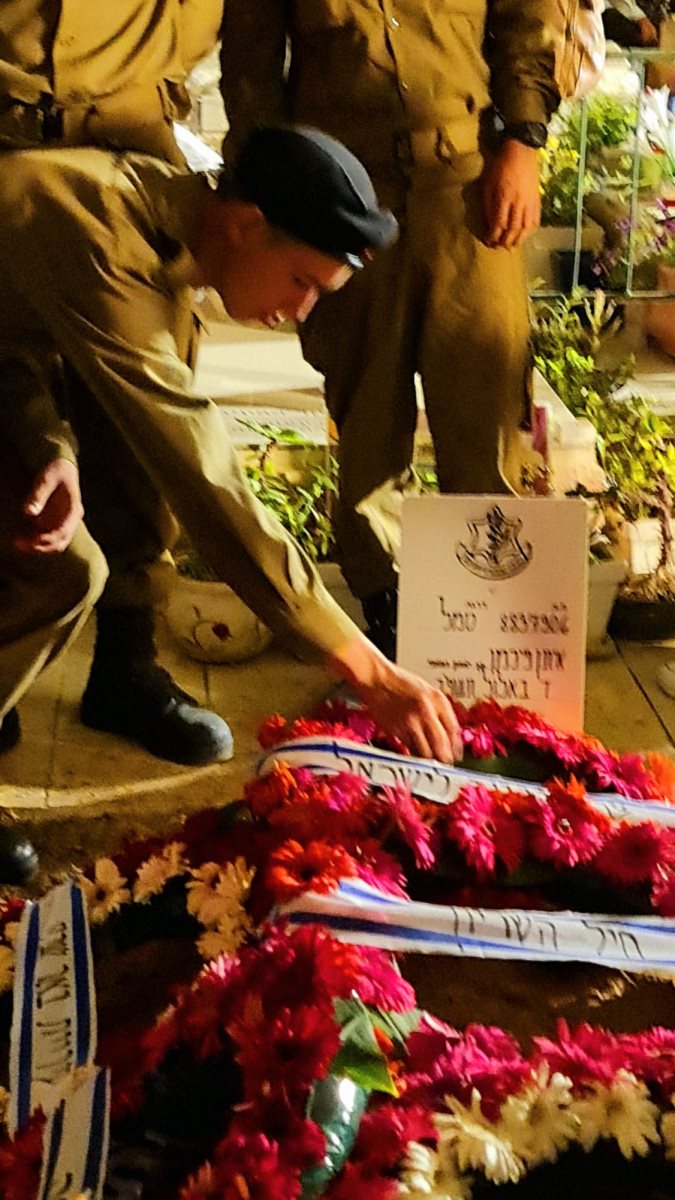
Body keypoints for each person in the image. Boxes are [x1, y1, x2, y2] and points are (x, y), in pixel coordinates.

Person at [0, 127, 463, 789]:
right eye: (301, 280)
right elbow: (202, 476)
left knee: (64, 568)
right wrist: (369, 671)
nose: (299, 310)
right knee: (54, 570)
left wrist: (49, 445)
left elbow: (12, 334)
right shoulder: (106, 235)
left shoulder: (165, 222)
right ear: (245, 225)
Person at [219, 1, 562, 659]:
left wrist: (523, 144)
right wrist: (269, 200)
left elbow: (525, 22)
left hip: (467, 184)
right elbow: (250, 71)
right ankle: (388, 617)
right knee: (367, 416)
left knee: (487, 410)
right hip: (349, 199)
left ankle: (491, 629)